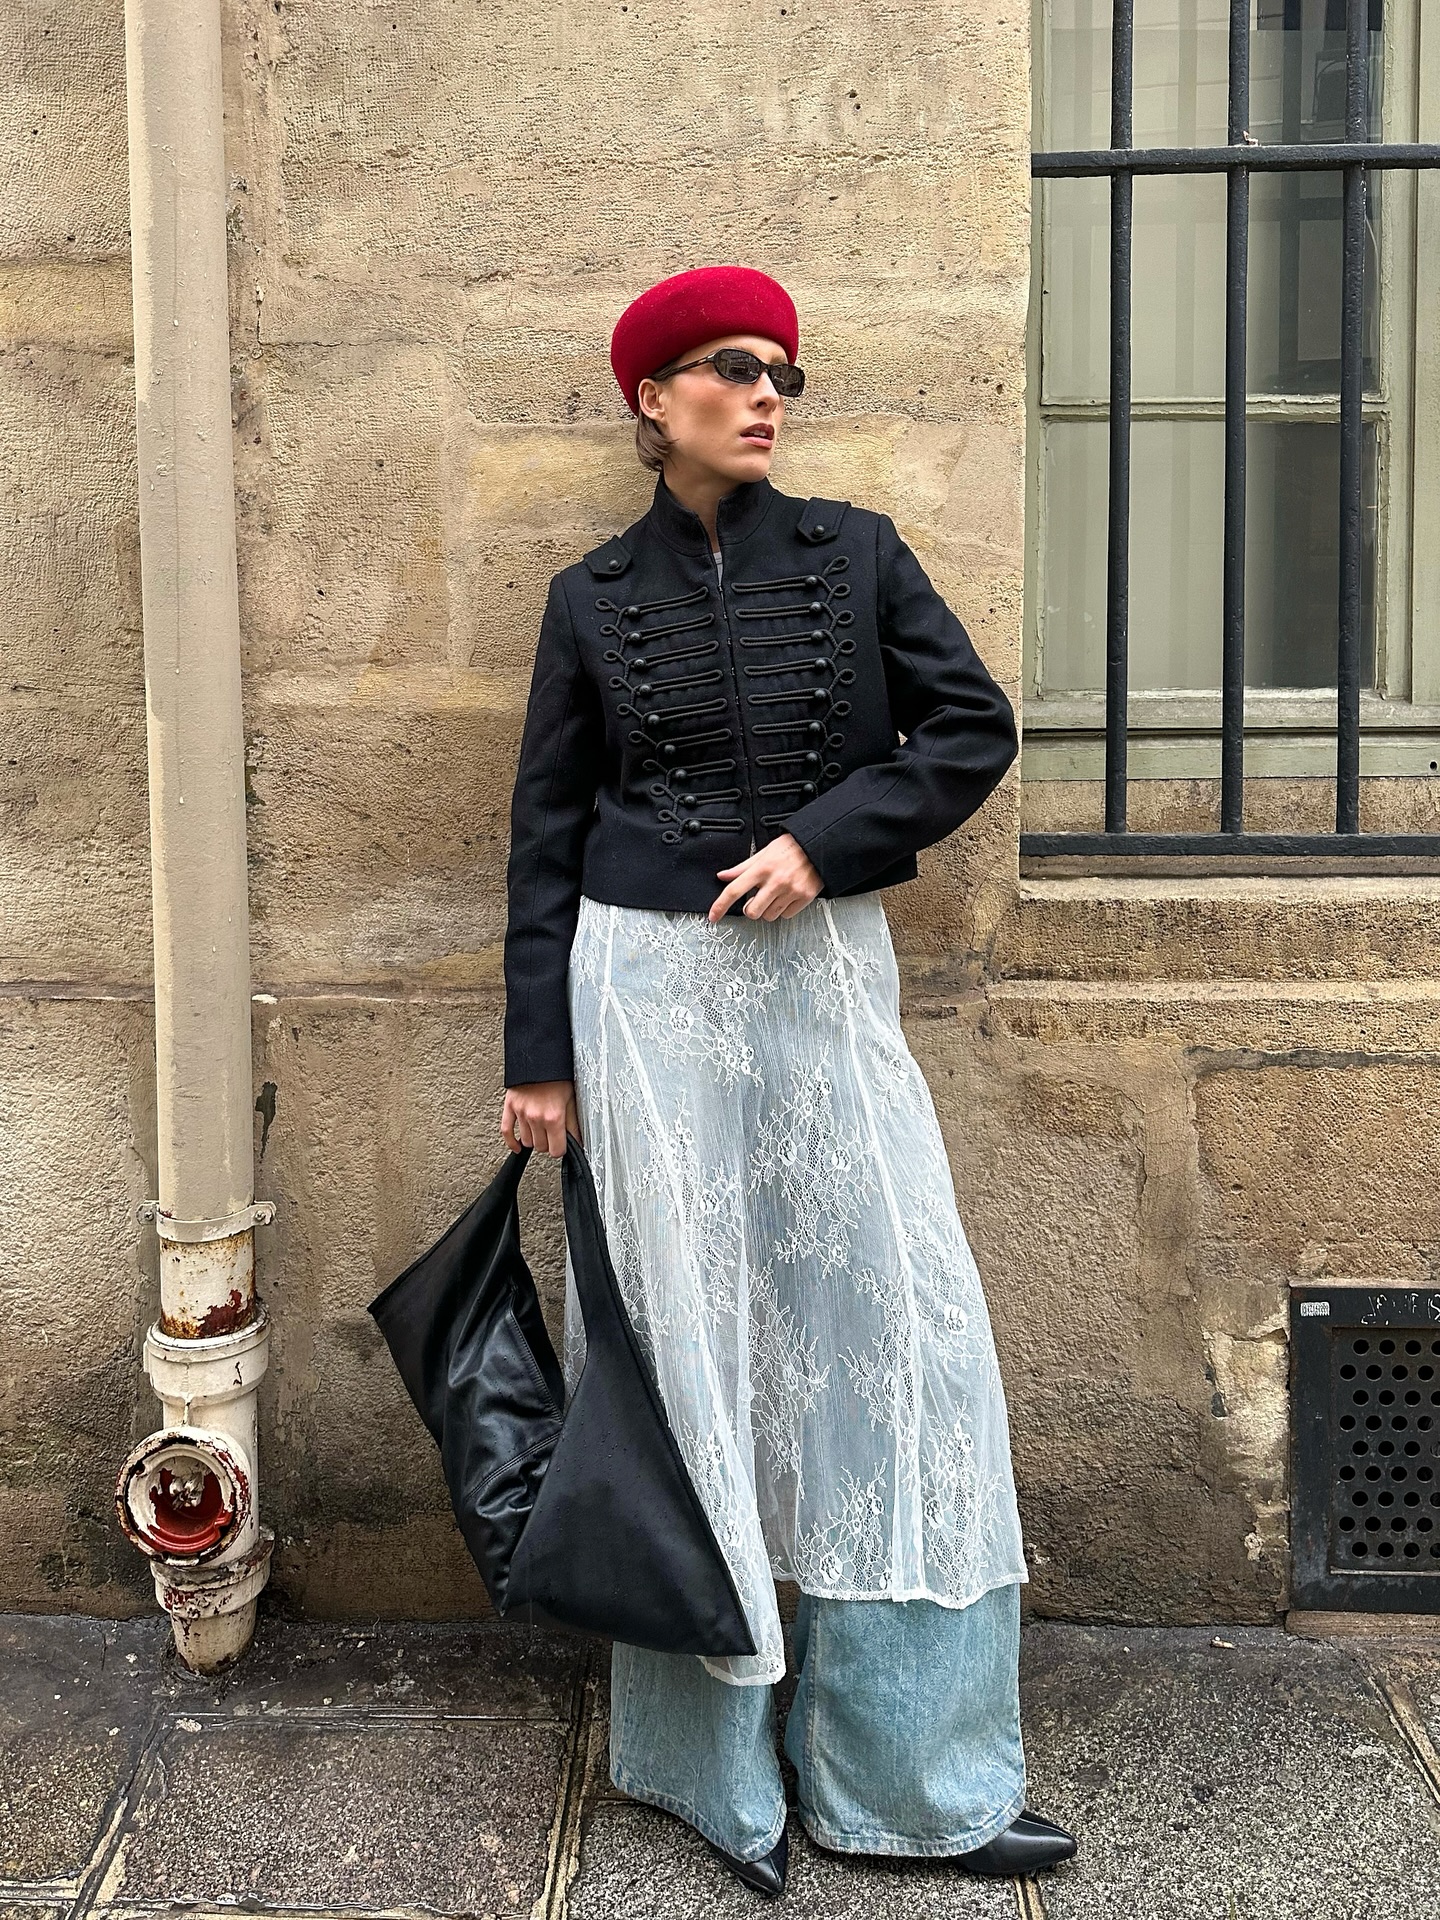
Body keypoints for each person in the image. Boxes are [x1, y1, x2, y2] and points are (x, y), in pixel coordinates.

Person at [499, 265, 1076, 1896]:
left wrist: (827, 844)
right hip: (644, 1000)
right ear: (652, 402)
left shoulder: (858, 555)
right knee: (688, 1349)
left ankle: (910, 1778)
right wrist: (537, 1056)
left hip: (819, 986)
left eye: (781, 375)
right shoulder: (588, 596)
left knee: (903, 1335)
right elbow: (543, 837)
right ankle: (712, 1775)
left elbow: (969, 729)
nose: (767, 394)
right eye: (731, 370)